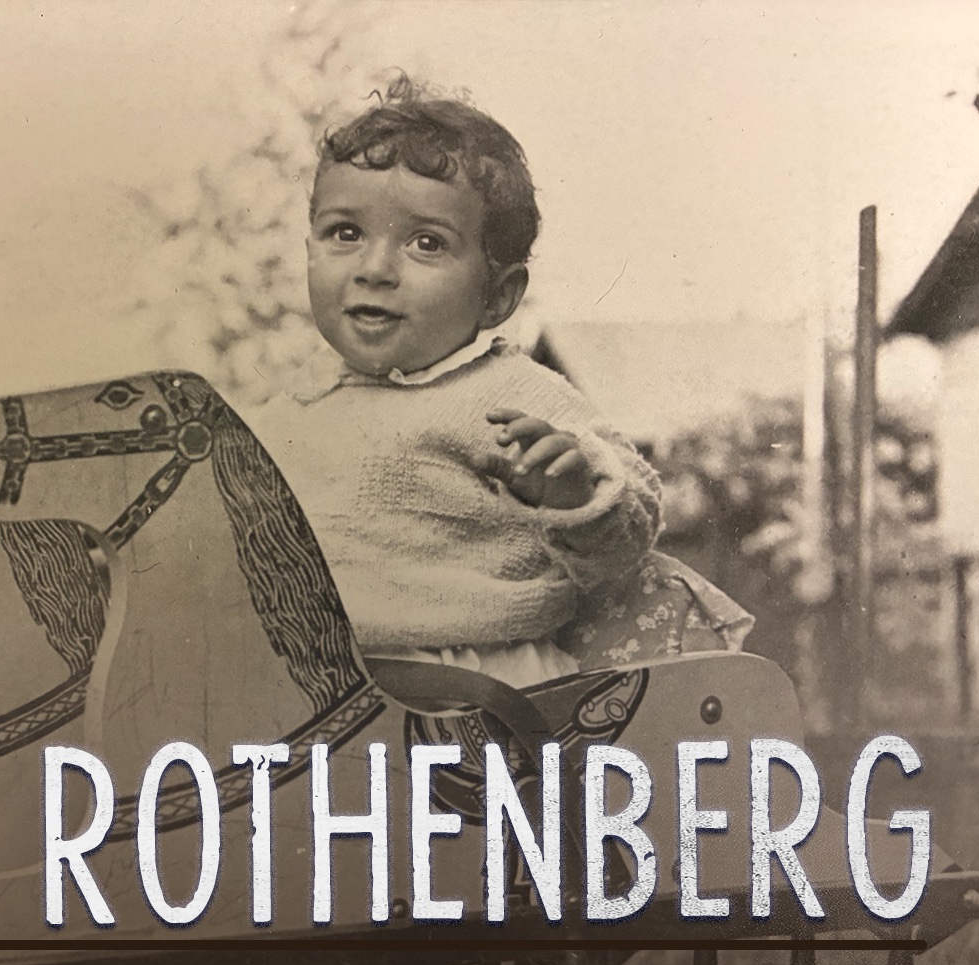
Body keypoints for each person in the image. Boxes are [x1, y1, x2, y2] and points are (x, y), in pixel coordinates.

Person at [247, 76, 750, 688]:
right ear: (310, 249)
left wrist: (572, 489)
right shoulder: (284, 414)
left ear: (498, 295)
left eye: (426, 243)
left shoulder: (508, 394)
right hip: (315, 684)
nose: (374, 269)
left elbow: (631, 520)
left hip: (473, 685)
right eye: (345, 233)